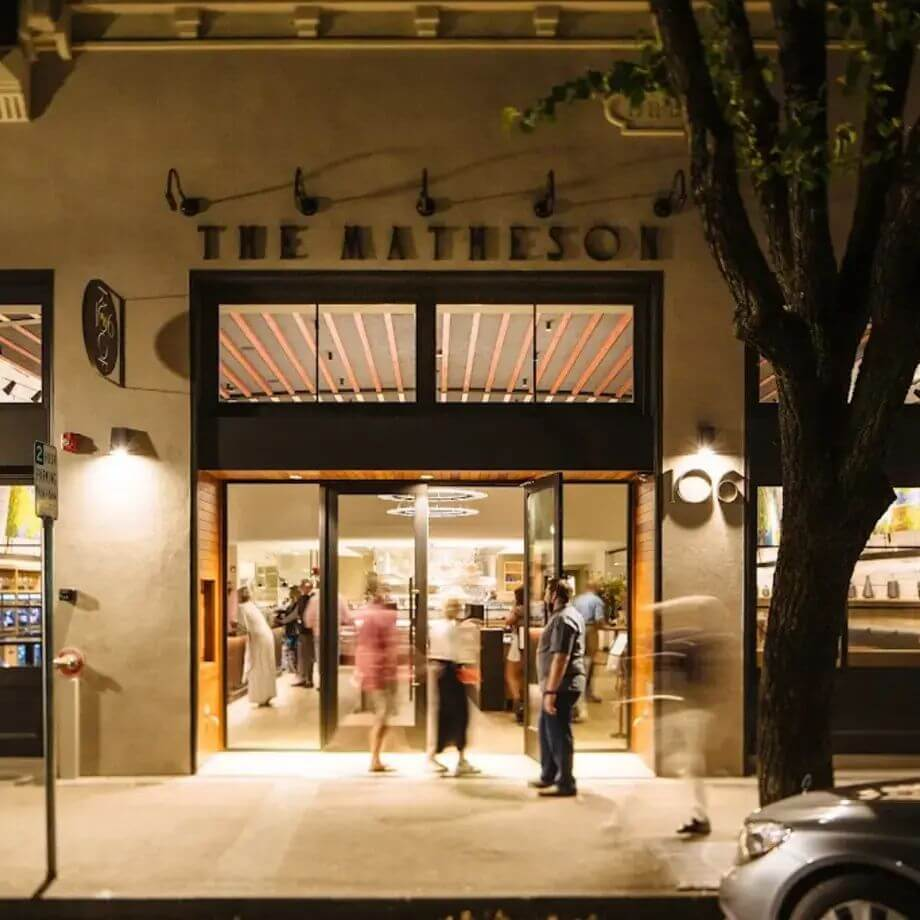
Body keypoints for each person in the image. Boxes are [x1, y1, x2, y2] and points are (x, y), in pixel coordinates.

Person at [657, 595, 735, 837]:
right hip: (691, 709)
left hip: (695, 711)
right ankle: (698, 813)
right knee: (688, 762)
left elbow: (699, 603)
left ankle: (700, 815)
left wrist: (660, 607)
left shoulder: (711, 641)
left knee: (689, 763)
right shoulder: (706, 639)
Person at [530, 581, 585, 798]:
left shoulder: (564, 619)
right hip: (553, 686)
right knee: (546, 730)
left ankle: (566, 782)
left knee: (559, 733)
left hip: (562, 687)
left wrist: (551, 692)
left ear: (553, 594)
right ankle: (548, 774)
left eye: (546, 591)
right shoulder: (561, 616)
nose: (543, 595)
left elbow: (561, 658)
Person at [428, 598, 480, 776]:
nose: (456, 610)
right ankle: (451, 756)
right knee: (456, 715)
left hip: (447, 672)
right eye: (453, 606)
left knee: (452, 714)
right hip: (450, 672)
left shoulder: (440, 626)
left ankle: (454, 756)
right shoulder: (451, 627)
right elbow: (460, 651)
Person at [355, 575, 398, 773]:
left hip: (375, 671)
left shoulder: (368, 614)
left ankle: (376, 758)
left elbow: (363, 645)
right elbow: (385, 647)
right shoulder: (381, 616)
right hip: (380, 672)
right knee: (382, 716)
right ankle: (375, 759)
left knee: (383, 716)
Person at [236, 585, 277, 707]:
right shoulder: (252, 605)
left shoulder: (241, 607)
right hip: (266, 636)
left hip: (258, 638)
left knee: (257, 666)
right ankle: (267, 695)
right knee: (266, 666)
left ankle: (260, 696)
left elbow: (242, 628)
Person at [574, 580, 606, 704]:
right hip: (590, 630)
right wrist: (604, 626)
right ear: (596, 588)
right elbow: (599, 619)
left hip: (577, 630)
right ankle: (588, 692)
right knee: (591, 662)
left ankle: (577, 691)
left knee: (578, 661)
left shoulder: (577, 599)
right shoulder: (597, 601)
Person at [504, 586, 525, 724]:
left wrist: (512, 608)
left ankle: (518, 705)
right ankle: (523, 703)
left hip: (519, 642)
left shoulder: (519, 609)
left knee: (511, 674)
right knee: (522, 675)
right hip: (528, 643)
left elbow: (509, 621)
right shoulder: (534, 607)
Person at [292, 578, 316, 688]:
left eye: (307, 586)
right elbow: (297, 613)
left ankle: (309, 680)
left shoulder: (312, 599)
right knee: (302, 656)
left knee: (308, 656)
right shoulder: (302, 599)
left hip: (309, 631)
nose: (305, 588)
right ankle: (303, 678)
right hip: (303, 630)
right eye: (304, 586)